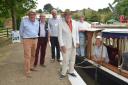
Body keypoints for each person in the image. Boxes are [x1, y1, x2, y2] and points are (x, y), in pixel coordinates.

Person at [58, 11, 79, 79]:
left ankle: (71, 71)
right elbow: (59, 36)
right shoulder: (61, 23)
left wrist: (77, 41)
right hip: (65, 45)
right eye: (66, 15)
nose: (68, 17)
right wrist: (62, 45)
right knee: (65, 60)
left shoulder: (74, 22)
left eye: (69, 15)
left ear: (71, 16)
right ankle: (63, 73)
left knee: (73, 59)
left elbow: (76, 33)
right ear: (64, 16)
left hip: (73, 44)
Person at [19, 10, 39, 78]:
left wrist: (36, 38)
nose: (32, 15)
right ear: (28, 15)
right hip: (27, 40)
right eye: (31, 14)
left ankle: (31, 66)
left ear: (35, 15)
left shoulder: (37, 21)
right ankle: (27, 71)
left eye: (33, 14)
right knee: (27, 56)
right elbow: (21, 31)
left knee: (33, 55)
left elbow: (37, 30)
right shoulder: (24, 21)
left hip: (35, 39)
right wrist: (23, 39)